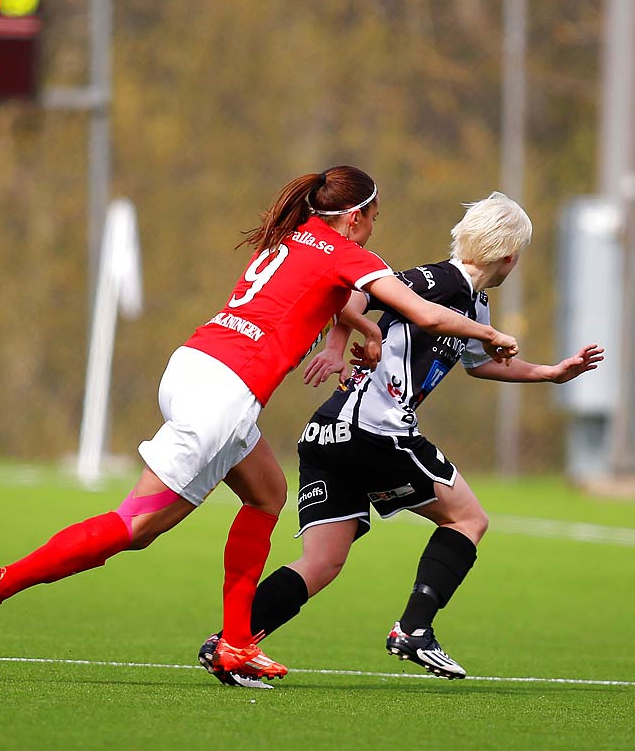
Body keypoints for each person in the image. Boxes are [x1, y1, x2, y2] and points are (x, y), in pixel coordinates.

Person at [0, 166, 520, 686]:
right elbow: (421, 311)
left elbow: (336, 303)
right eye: (373, 217)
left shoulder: (295, 239)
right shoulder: (347, 254)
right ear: (354, 217)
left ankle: (236, 644)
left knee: (268, 494)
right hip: (223, 392)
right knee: (132, 527)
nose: (374, 228)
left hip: (195, 365)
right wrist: (488, 334)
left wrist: (366, 335)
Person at [202, 192, 603, 687]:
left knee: (322, 561)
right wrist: (335, 345)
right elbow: (351, 295)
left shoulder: (474, 303)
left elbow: (480, 363)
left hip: (329, 433)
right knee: (468, 518)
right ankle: (414, 629)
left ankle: (231, 640)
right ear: (509, 256)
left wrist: (550, 373)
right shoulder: (439, 280)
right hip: (375, 431)